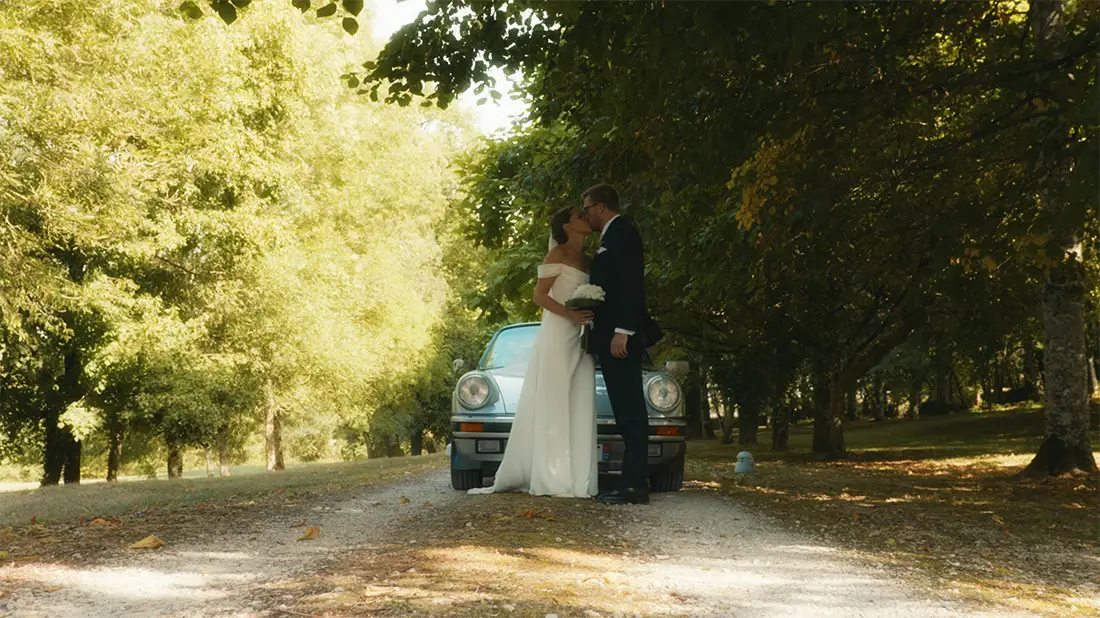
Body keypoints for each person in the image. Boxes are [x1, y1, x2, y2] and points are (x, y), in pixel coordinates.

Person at [469, 207, 599, 498]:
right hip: (558, 334)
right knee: (556, 399)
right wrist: (570, 314)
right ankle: (553, 477)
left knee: (580, 399)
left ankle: (580, 477)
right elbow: (539, 296)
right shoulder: (557, 255)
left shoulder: (588, 260)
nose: (586, 217)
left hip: (582, 337)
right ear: (566, 226)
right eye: (579, 215)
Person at [583, 183, 652, 505]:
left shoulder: (623, 233)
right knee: (625, 412)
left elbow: (630, 285)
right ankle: (631, 482)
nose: (587, 215)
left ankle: (635, 486)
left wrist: (623, 330)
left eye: (587, 209)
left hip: (619, 338)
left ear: (600, 206)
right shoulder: (610, 236)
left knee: (631, 412)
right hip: (610, 335)